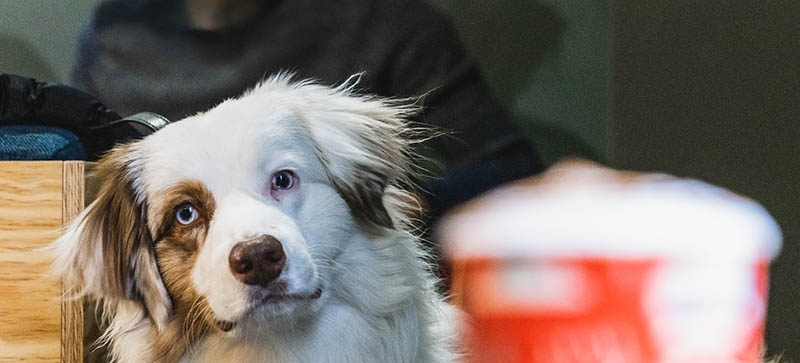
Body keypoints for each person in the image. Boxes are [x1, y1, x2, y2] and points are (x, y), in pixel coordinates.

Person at [70, 0, 543, 219]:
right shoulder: (112, 40)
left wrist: (399, 205)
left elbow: (511, 169)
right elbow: (71, 195)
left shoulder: (386, 23)